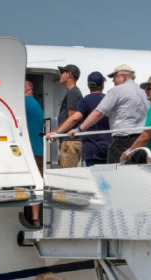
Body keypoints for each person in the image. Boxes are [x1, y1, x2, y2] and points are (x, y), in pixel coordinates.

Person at [69, 64, 148, 164]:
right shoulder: (144, 92)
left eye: (115, 77)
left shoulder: (116, 91)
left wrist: (79, 129)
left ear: (124, 76)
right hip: (141, 142)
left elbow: (98, 113)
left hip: (122, 141)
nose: (113, 80)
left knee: (116, 176)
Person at [50, 72, 110, 167]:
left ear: (88, 85)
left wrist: (57, 133)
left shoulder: (85, 101)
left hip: (91, 149)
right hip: (108, 147)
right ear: (103, 84)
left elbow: (75, 118)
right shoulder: (109, 100)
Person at [23, 79, 45, 227]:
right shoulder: (36, 104)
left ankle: (34, 218)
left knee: (31, 185)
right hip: (38, 150)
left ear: (28, 88)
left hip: (30, 150)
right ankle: (35, 218)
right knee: (36, 185)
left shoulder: (24, 103)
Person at [53, 65, 83, 169]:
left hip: (70, 142)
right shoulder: (73, 93)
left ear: (69, 74)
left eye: (62, 72)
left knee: (66, 177)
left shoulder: (73, 93)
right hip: (68, 141)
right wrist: (55, 131)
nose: (60, 75)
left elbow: (72, 119)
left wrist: (57, 133)